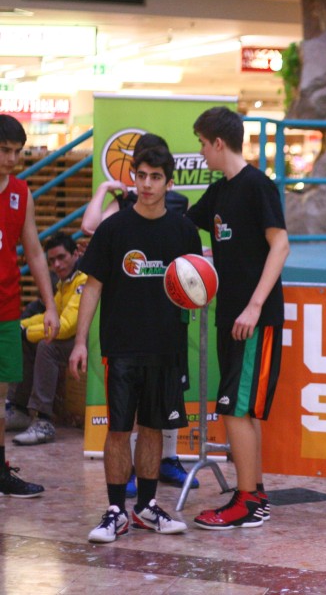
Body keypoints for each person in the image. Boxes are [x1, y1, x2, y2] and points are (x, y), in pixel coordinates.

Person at [70, 146, 201, 544]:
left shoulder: (183, 231)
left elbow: (195, 287)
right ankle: (115, 511)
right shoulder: (113, 229)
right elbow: (92, 287)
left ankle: (145, 508)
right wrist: (80, 342)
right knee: (118, 429)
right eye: (140, 175)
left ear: (169, 183)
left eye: (155, 177)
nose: (146, 184)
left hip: (166, 346)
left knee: (152, 428)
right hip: (121, 346)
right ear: (134, 178)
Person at [186, 106, 288, 530]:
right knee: (240, 411)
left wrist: (255, 305)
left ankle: (246, 502)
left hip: (254, 319)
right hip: (228, 316)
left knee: (232, 407)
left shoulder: (257, 185)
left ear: (218, 143)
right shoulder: (219, 191)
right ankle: (254, 493)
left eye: (202, 144)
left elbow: (280, 244)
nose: (201, 153)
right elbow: (184, 223)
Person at [0, 114, 60, 497]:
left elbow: (35, 252)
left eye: (17, 152)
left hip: (6, 308)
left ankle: (0, 472)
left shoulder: (22, 193)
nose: (11, 159)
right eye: (4, 150)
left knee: (0, 397)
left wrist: (50, 306)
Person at [6, 233, 86, 445]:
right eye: (52, 261)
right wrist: (20, 326)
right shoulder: (65, 283)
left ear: (75, 254)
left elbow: (65, 327)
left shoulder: (83, 281)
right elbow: (50, 317)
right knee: (25, 341)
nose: (57, 265)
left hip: (90, 343)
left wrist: (26, 332)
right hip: (73, 339)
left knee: (46, 346)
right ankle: (19, 409)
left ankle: (43, 421)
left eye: (61, 257)